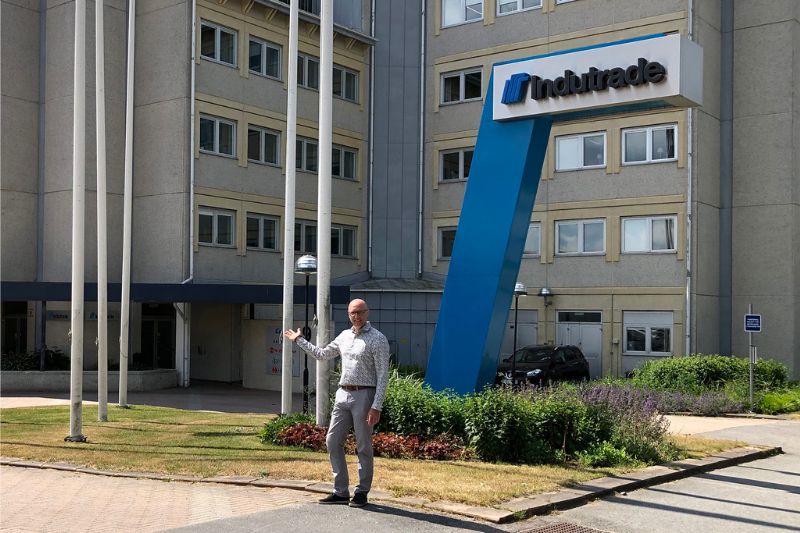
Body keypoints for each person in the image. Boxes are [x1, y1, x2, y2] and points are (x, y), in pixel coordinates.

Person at [284, 298, 390, 508]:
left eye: (360, 312)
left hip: (364, 395)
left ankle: (361, 492)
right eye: (352, 313)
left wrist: (376, 405)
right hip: (343, 394)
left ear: (367, 313)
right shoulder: (344, 336)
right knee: (332, 441)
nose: (356, 316)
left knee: (363, 446)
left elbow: (383, 375)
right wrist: (299, 340)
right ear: (348, 314)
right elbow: (322, 354)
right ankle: (340, 491)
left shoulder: (378, 339)